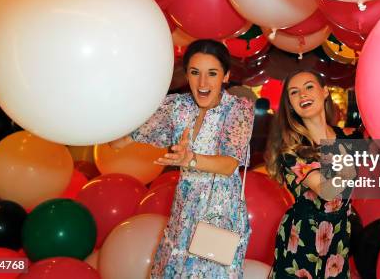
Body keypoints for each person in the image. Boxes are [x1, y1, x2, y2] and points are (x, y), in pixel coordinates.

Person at [110, 39, 254, 278]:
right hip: (184, 210)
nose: (203, 82)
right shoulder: (177, 107)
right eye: (195, 72)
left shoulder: (238, 108)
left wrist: (191, 159)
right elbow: (120, 140)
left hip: (220, 212)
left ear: (226, 76)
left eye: (212, 73)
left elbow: (229, 164)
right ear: (187, 74)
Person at [266, 70, 357, 279]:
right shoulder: (293, 149)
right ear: (290, 104)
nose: (303, 95)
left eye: (309, 87)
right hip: (303, 239)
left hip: (339, 237)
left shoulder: (346, 136)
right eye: (294, 92)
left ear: (325, 91)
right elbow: (328, 190)